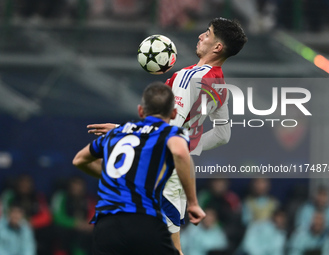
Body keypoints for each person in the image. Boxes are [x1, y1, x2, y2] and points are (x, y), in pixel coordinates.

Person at [87, 17, 247, 254]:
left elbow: (169, 125)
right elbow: (223, 135)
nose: (201, 35)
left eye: (208, 33)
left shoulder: (189, 76)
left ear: (217, 47)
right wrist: (190, 147)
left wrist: (123, 131)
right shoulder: (221, 85)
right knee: (166, 245)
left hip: (161, 169)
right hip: (178, 168)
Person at [73, 82, 206, 255]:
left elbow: (79, 160)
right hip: (142, 219)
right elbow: (181, 153)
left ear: (141, 111)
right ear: (173, 113)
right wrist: (193, 203)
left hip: (106, 225)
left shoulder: (115, 133)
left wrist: (116, 177)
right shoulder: (170, 132)